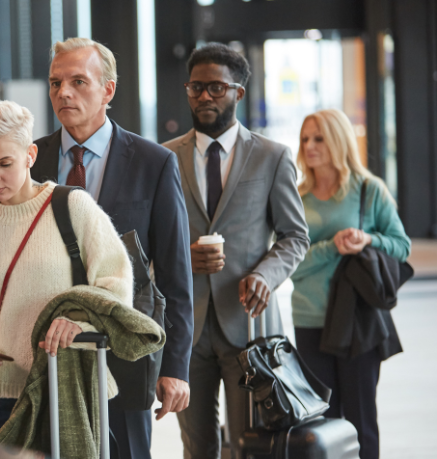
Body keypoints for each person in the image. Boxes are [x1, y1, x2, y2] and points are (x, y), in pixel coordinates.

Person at [30, 37, 194, 459]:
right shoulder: (32, 160)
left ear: (109, 90)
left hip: (125, 352)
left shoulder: (153, 163)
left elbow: (175, 276)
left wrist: (175, 367)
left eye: (78, 81)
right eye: (55, 83)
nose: (63, 93)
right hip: (50, 353)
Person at [162, 43, 309, 459]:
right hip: (186, 329)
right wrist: (181, 258)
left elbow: (294, 236)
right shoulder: (164, 158)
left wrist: (265, 275)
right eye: (196, 87)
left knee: (252, 446)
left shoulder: (272, 157)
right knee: (197, 446)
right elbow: (148, 244)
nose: (204, 96)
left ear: (238, 93)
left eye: (215, 88)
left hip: (250, 329)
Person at [0, 99, 134, 439]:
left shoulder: (73, 208)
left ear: (30, 155)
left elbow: (118, 288)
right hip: (3, 399)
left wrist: (80, 321)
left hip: (72, 387)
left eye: (4, 163)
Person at [291, 109, 410, 459]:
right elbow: (290, 265)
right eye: (304, 139)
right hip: (310, 320)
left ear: (339, 141)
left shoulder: (368, 190)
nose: (309, 146)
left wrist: (368, 240)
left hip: (358, 322)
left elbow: (401, 246)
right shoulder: (297, 196)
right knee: (320, 422)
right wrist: (332, 247)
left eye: (319, 138)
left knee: (361, 421)